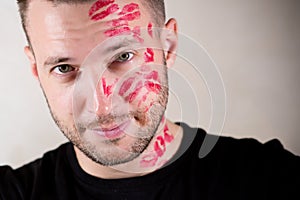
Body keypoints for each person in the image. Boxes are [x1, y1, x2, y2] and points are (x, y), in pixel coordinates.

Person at [0, 0, 299, 199]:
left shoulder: (266, 180)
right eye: (64, 68)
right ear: (36, 68)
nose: (101, 106)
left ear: (167, 47)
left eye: (123, 56)